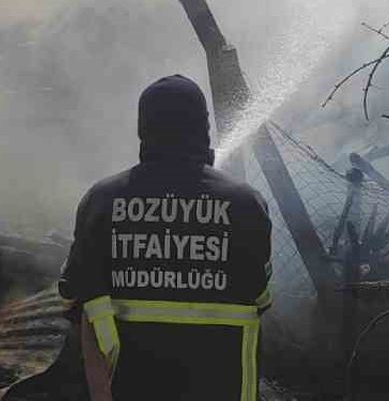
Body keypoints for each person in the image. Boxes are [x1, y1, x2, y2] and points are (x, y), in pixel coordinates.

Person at [57, 75, 273, 400]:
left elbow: (73, 296)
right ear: (203, 128)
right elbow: (259, 295)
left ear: (143, 129)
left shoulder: (102, 200)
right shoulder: (245, 203)